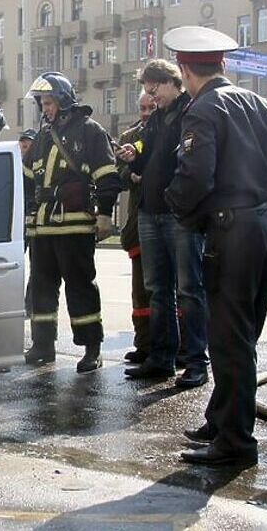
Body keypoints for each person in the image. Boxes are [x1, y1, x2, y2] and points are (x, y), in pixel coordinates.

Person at [162, 26, 267, 466]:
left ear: (185, 70)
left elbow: (195, 176)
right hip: (264, 223)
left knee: (229, 337)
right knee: (242, 331)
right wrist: (253, 189)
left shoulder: (203, 108)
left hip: (232, 230)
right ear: (222, 65)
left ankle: (236, 443)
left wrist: (177, 206)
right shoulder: (259, 103)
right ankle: (222, 419)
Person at [118, 59, 209, 389]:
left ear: (173, 82)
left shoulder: (192, 112)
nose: (150, 96)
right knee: (157, 290)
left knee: (189, 289)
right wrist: (133, 154)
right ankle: (161, 358)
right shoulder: (156, 120)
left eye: (154, 90)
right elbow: (148, 154)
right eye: (146, 91)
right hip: (149, 212)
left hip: (178, 215)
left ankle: (197, 362)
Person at [22, 72, 121, 371]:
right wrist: (27, 218)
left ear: (63, 100)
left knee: (80, 286)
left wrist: (104, 213)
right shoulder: (41, 137)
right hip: (42, 228)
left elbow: (108, 176)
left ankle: (92, 349)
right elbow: (26, 181)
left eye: (49, 102)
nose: (45, 109)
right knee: (41, 287)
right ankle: (42, 345)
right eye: (42, 104)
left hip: (75, 226)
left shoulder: (90, 131)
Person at [115, 90, 156, 364]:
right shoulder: (129, 137)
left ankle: (181, 347)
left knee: (171, 291)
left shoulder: (173, 131)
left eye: (150, 107)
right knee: (140, 289)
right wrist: (131, 174)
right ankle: (143, 345)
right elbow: (117, 170)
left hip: (169, 219)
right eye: (141, 108)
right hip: (139, 221)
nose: (145, 113)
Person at [20, 128, 39, 315]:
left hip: (34, 221)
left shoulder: (39, 167)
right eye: (23, 146)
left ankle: (30, 304)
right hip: (18, 223)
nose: (25, 149)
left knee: (37, 265)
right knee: (15, 263)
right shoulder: (15, 167)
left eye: (28, 146)